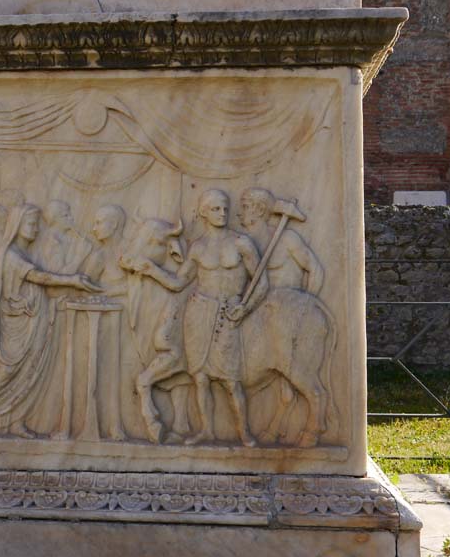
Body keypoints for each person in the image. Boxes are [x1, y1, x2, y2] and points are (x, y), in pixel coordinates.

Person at [126, 190, 265, 446]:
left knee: (231, 380)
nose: (222, 213)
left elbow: (261, 282)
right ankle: (206, 431)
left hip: (229, 312)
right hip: (199, 314)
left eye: (225, 208)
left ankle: (244, 432)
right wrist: (151, 269)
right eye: (215, 209)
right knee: (200, 379)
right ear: (203, 212)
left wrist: (245, 308)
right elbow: (179, 282)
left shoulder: (241, 243)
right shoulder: (198, 248)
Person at [0, 203, 101, 439]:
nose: (36, 229)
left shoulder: (25, 252)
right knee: (9, 370)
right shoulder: (10, 254)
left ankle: (17, 421)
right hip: (18, 322)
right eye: (31, 224)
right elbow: (38, 277)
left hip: (36, 316)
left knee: (33, 369)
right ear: (17, 224)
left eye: (36, 224)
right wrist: (72, 280)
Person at [239, 188, 324, 294]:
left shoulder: (287, 238)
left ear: (260, 210)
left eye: (245, 207)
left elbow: (315, 269)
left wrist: (307, 301)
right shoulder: (242, 244)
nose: (239, 213)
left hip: (290, 301)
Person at [79, 204, 128, 297]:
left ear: (114, 224)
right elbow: (85, 290)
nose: (94, 229)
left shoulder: (132, 249)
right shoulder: (99, 256)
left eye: (98, 223)